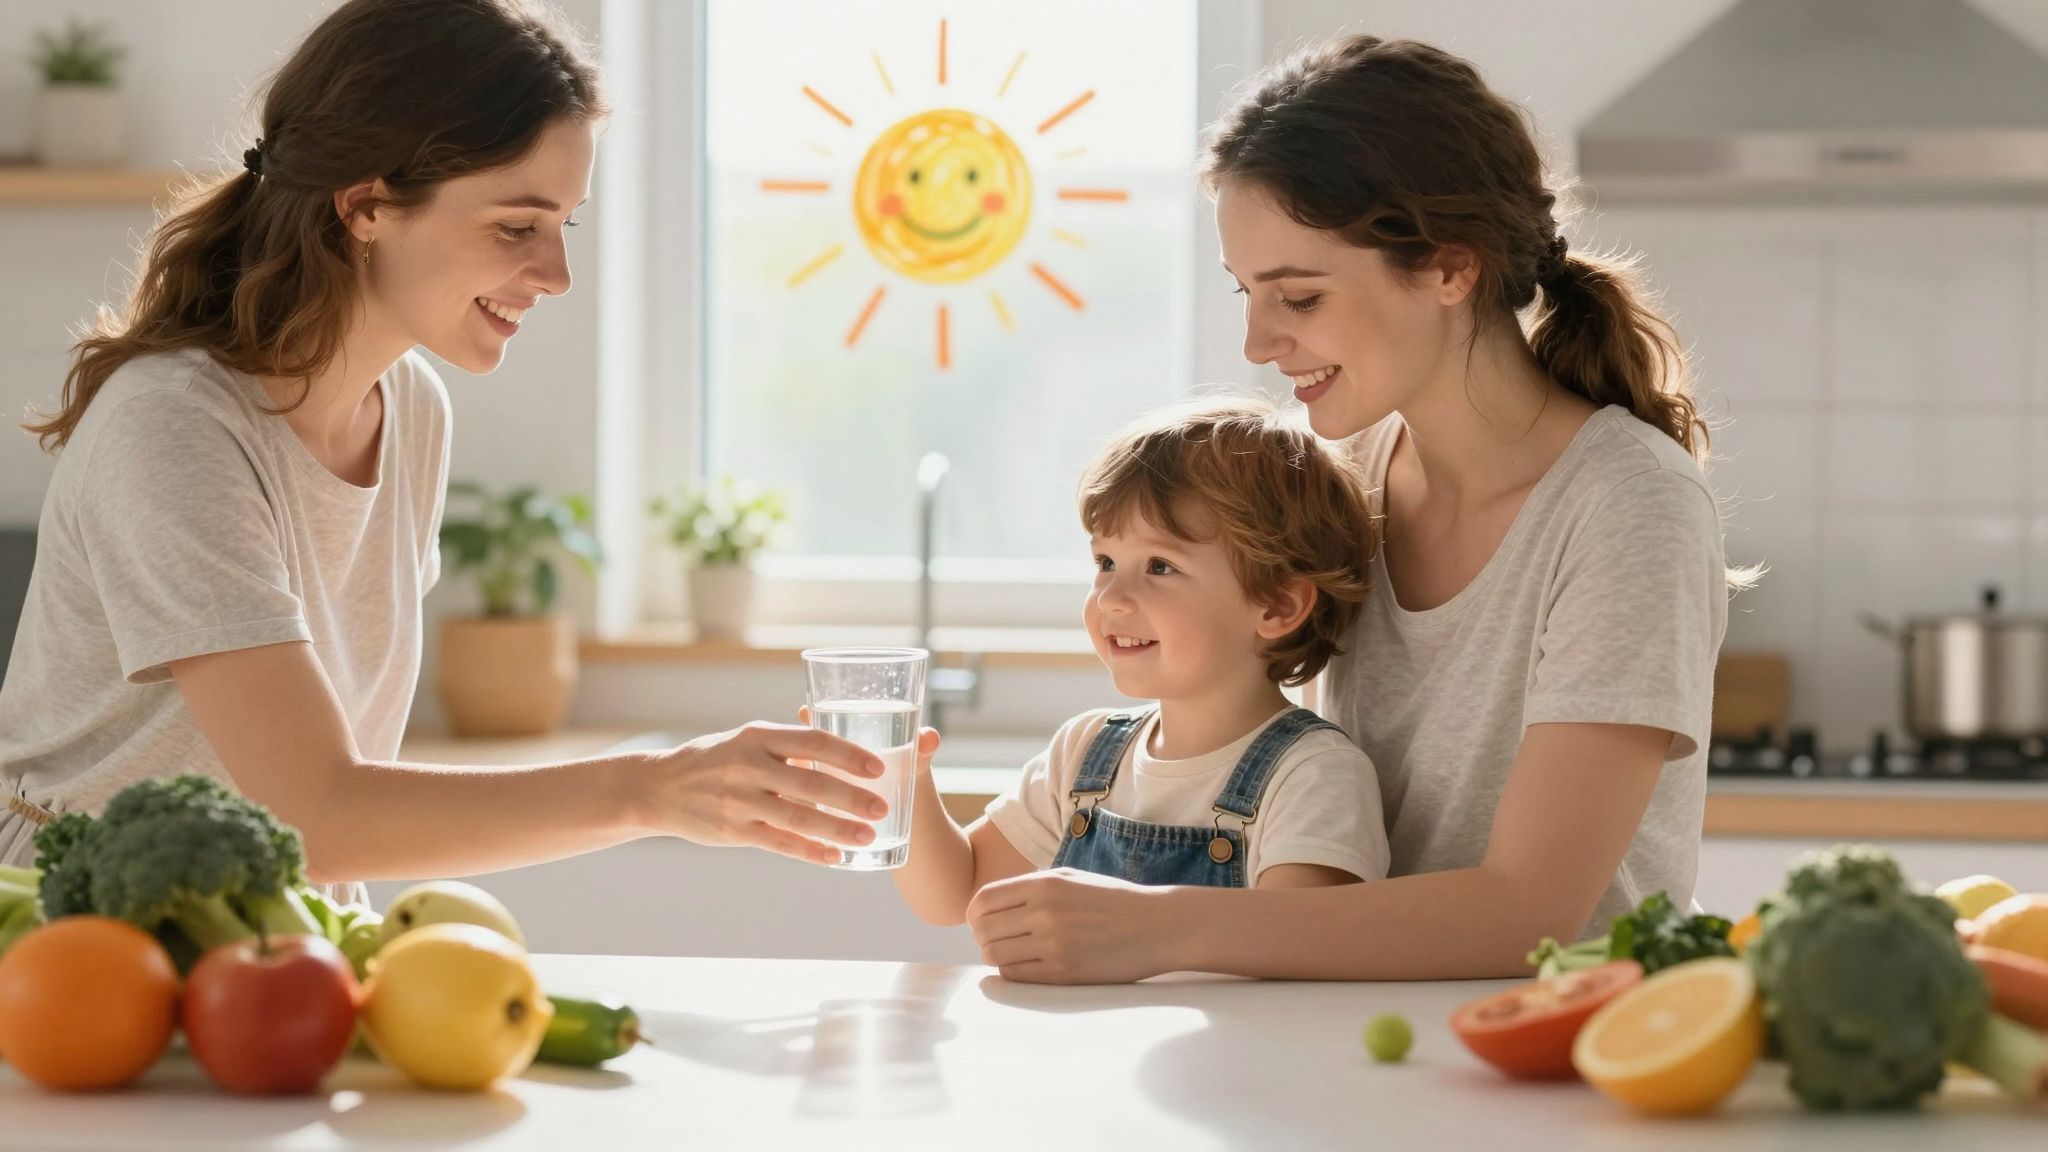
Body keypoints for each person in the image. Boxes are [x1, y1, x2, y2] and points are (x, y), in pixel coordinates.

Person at [0, 0, 889, 882]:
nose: (558, 275)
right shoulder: (174, 424)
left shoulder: (412, 408)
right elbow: (316, 816)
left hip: (265, 932)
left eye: (563, 225)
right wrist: (648, 790)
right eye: (516, 227)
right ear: (367, 206)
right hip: (72, 933)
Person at [962, 34, 1737, 983]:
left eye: (1298, 295)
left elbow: (1523, 914)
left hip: (1556, 1065)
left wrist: (1162, 928)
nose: (1256, 341)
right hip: (1355, 1038)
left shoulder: (1628, 506)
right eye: (1247, 292)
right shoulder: (1348, 464)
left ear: (1452, 270)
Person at [882, 399, 1389, 926]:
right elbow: (957, 894)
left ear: (1279, 604)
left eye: (1160, 566)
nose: (1111, 598)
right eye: (1105, 562)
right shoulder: (1084, 754)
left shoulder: (1313, 775)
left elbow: (1297, 946)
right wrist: (906, 782)